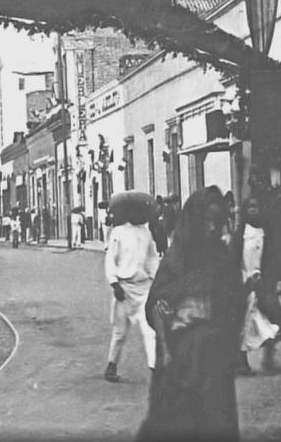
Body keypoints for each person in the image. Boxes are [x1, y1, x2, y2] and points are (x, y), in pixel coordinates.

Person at [137, 187, 244, 442]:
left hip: (213, 355)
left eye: (216, 222)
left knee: (215, 421)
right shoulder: (177, 256)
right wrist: (162, 314)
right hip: (180, 354)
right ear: (194, 221)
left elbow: (235, 306)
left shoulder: (223, 257)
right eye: (205, 221)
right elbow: (156, 302)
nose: (211, 228)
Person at [103, 203, 160, 383]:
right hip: (125, 287)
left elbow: (152, 258)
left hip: (144, 287)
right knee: (120, 332)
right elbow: (111, 258)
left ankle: (155, 369)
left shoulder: (146, 233)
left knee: (150, 329)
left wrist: (156, 279)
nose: (139, 214)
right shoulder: (118, 232)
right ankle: (111, 365)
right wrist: (114, 283)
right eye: (135, 210)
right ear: (129, 212)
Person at [236, 196, 281, 375]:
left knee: (272, 319)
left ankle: (269, 358)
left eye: (257, 207)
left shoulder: (265, 232)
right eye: (250, 207)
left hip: (262, 283)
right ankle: (242, 362)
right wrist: (242, 280)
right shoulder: (241, 233)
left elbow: (271, 258)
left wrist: (271, 279)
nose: (254, 210)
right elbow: (234, 258)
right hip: (245, 283)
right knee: (244, 324)